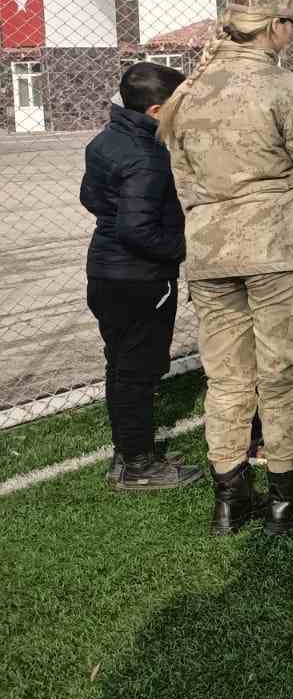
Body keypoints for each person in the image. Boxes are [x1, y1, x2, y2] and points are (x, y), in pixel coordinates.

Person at [160, 0, 293, 535]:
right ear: (277, 27)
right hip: (276, 249)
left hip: (209, 252)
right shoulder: (287, 91)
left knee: (226, 379)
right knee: (282, 378)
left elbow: (184, 185)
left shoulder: (188, 94)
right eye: (291, 25)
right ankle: (286, 499)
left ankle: (230, 500)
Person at [81, 61, 199, 493]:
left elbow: (90, 196)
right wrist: (184, 249)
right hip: (139, 280)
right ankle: (138, 465)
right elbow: (138, 229)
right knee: (138, 372)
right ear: (155, 111)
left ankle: (128, 452)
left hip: (106, 272)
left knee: (121, 366)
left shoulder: (107, 139)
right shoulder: (148, 157)